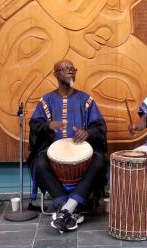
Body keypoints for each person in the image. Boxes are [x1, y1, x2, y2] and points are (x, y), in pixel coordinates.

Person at [28, 59, 107, 233]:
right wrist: (48, 126)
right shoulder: (46, 101)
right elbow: (34, 124)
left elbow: (100, 126)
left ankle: (65, 209)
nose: (69, 72)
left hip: (82, 152)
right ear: (55, 74)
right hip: (53, 152)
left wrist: (88, 133)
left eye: (72, 69)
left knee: (99, 161)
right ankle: (69, 206)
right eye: (64, 69)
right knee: (39, 162)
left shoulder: (86, 99)